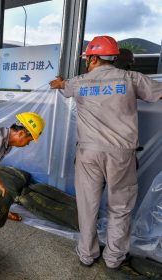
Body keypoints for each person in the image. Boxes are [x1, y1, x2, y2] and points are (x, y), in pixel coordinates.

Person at [49, 36, 162, 270]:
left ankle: (86, 255)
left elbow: (61, 86)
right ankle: (113, 259)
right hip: (121, 155)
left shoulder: (79, 82)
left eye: (88, 59)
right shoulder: (131, 79)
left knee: (88, 205)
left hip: (88, 154)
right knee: (120, 208)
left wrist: (59, 82)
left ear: (93, 58)